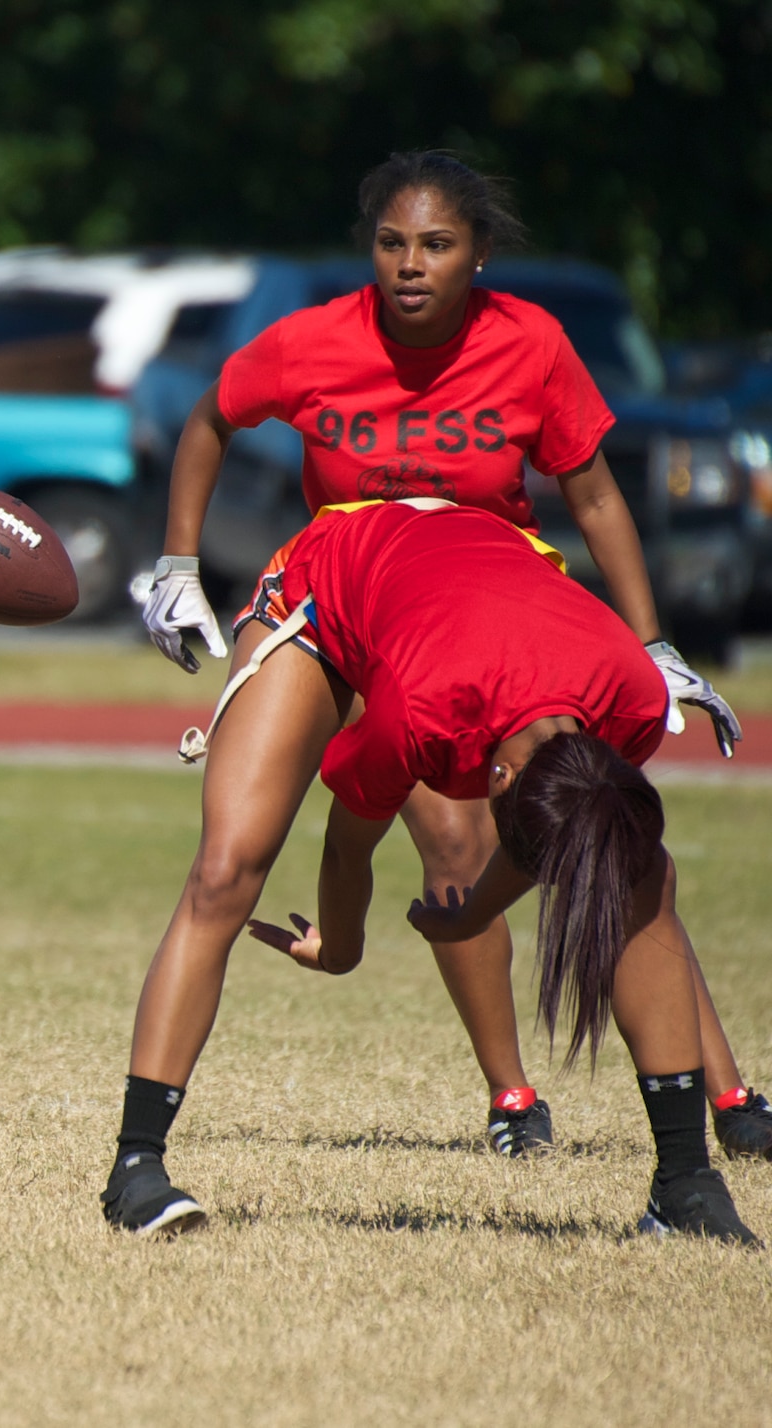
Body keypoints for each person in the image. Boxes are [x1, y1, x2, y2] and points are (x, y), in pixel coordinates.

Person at [137, 150, 772, 1161]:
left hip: (483, 607)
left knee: (599, 835)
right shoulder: (310, 342)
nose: (408, 263)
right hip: (350, 602)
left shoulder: (527, 345)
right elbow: (211, 416)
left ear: (477, 254)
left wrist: (650, 642)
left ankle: (730, 1102)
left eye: (434, 244)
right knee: (440, 849)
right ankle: (512, 1095)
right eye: (390, 243)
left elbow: (592, 493)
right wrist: (174, 560)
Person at [105, 499, 757, 1244]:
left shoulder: (632, 694)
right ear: (499, 785)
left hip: (472, 575)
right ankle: (134, 1169)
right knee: (226, 870)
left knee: (642, 874)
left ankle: (685, 1182)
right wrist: (341, 949)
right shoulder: (420, 714)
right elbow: (349, 840)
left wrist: (476, 912)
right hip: (328, 585)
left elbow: (574, 816)